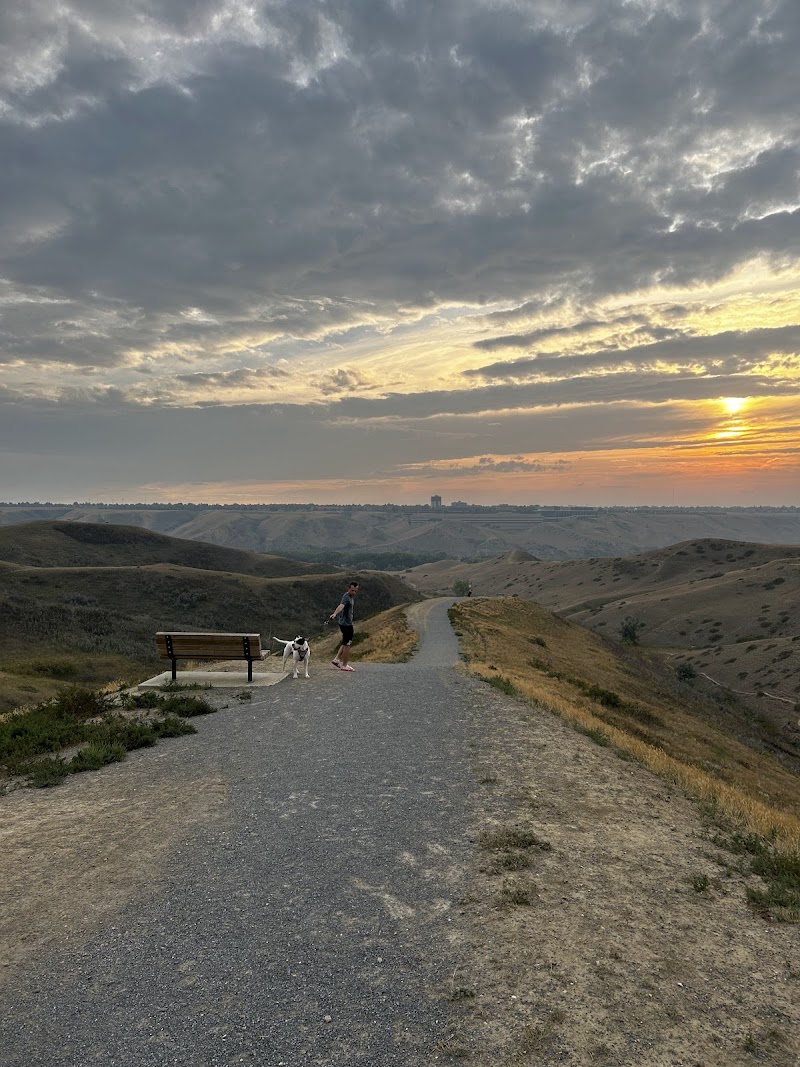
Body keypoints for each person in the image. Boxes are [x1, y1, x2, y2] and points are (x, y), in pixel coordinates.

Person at [330, 581, 359, 671]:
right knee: (347, 644)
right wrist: (335, 613)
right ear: (348, 588)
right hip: (346, 624)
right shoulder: (346, 597)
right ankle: (344, 665)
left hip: (347, 623)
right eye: (352, 590)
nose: (354, 592)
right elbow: (341, 606)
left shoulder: (351, 597)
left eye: (355, 591)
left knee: (345, 642)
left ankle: (336, 659)